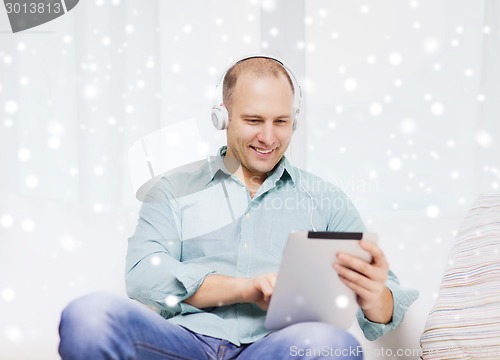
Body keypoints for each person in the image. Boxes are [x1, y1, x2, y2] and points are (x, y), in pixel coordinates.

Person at [58, 56, 418, 359]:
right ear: (222, 117)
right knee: (89, 315)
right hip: (183, 344)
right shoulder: (172, 189)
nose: (268, 137)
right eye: (253, 121)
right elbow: (142, 275)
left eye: (281, 122)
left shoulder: (326, 199)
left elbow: (385, 307)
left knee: (332, 345)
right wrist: (244, 289)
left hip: (273, 348)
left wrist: (375, 296)